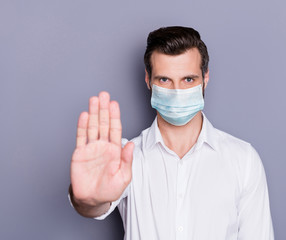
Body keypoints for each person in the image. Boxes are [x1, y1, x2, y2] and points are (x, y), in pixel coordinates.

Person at [69, 26, 274, 240]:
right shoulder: (125, 158)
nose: (177, 92)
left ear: (205, 78)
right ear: (148, 80)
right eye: (164, 80)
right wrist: (87, 200)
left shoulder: (243, 159)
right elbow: (95, 205)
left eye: (188, 80)